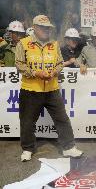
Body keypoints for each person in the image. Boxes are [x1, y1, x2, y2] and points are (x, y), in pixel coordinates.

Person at [15, 14, 83, 162]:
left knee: (62, 119)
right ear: (35, 28)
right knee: (27, 121)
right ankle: (27, 148)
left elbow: (59, 63)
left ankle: (68, 148)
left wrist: (55, 71)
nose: (47, 30)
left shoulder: (54, 44)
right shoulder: (24, 43)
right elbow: (19, 64)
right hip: (31, 89)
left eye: (48, 28)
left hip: (52, 89)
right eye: (43, 28)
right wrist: (35, 73)